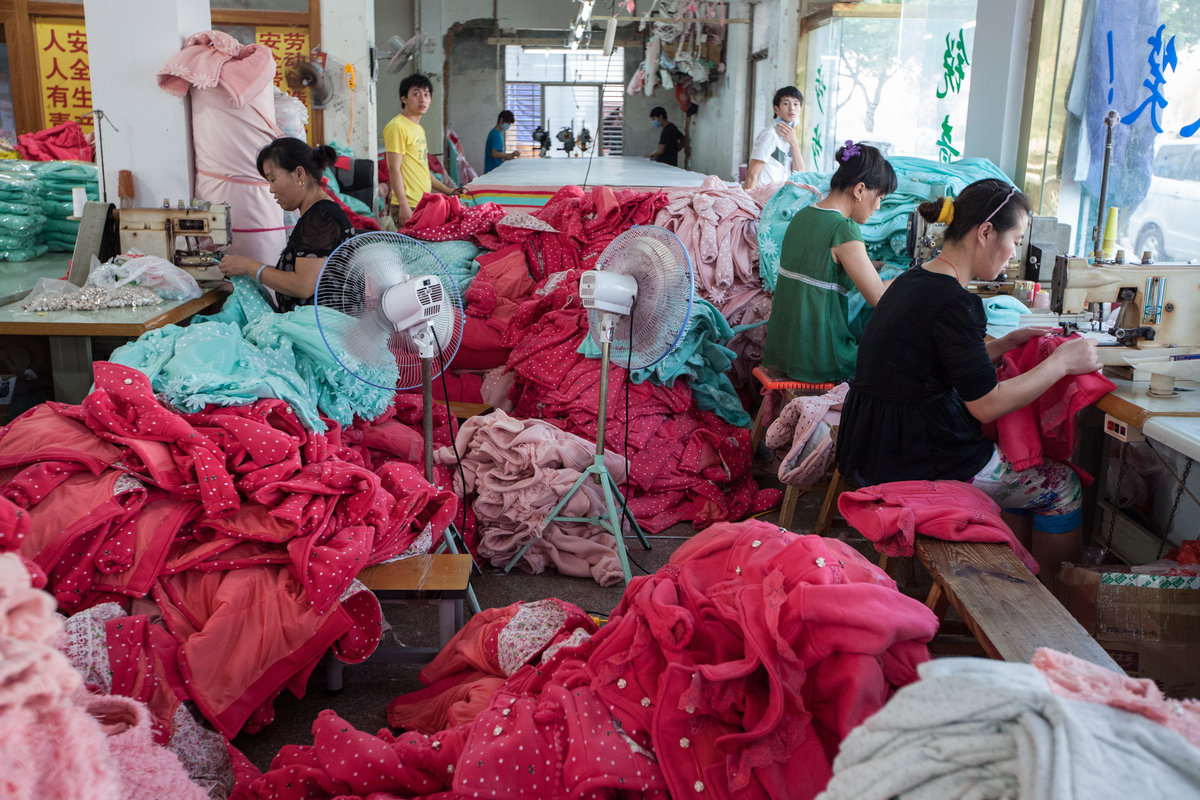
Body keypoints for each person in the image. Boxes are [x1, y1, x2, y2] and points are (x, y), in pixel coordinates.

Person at [835, 179, 1104, 582]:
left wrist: (1003, 345)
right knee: (1061, 486)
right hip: (916, 459)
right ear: (985, 233)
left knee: (1016, 464)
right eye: (1014, 239)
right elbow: (987, 403)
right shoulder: (957, 303)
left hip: (872, 446)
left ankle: (1015, 581)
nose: (1014, 253)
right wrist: (1061, 363)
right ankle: (1049, 608)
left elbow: (927, 365)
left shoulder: (912, 281)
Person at [761, 142, 897, 384]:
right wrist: (912, 276)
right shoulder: (843, 228)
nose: (878, 207)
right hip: (819, 359)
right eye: (880, 198)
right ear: (860, 190)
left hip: (783, 352)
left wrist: (872, 265)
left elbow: (821, 266)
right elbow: (878, 297)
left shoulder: (803, 216)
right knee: (897, 355)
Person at [218, 138, 353, 313]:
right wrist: (247, 269)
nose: (271, 189)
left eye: (273, 179)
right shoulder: (317, 214)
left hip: (319, 332)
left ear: (299, 174)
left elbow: (303, 285)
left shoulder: (321, 217)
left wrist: (249, 266)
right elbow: (303, 276)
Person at [383, 73, 460, 226]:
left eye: (426, 94)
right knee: (412, 250)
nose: (422, 99)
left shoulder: (418, 129)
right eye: (416, 94)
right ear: (404, 99)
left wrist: (448, 190)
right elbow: (394, 169)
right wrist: (404, 205)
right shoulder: (397, 126)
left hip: (423, 202)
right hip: (408, 205)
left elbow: (423, 169)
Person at [743, 86, 805, 192]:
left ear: (800, 109)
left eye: (796, 104)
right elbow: (752, 174)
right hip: (761, 198)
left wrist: (794, 143)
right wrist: (748, 206)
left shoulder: (790, 138)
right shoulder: (770, 135)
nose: (792, 108)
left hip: (776, 199)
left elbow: (800, 174)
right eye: (786, 103)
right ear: (776, 109)